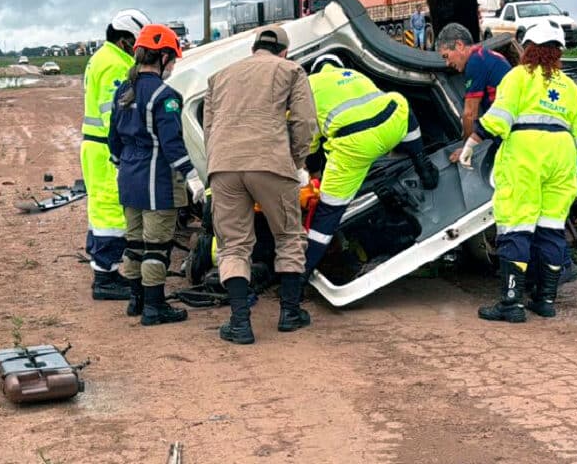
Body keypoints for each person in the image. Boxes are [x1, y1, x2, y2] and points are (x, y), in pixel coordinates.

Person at [458, 20, 577, 322]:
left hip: (525, 154)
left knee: (516, 227)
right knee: (551, 230)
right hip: (562, 158)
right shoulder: (569, 86)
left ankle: (511, 303)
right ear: (559, 52)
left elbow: (499, 118)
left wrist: (472, 143)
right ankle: (546, 300)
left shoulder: (518, 77)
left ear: (528, 49)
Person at [205, 25, 317, 345]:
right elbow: (305, 121)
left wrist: (216, 165)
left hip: (223, 166)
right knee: (288, 236)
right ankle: (290, 313)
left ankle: (240, 322)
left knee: (234, 244)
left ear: (254, 48)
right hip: (270, 162)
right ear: (283, 50)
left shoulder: (220, 76)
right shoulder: (291, 70)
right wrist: (295, 161)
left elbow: (210, 127)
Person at [304, 54, 439, 274]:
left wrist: (312, 170)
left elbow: (308, 138)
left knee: (328, 212)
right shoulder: (355, 75)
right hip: (391, 125)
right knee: (400, 104)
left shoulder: (309, 86)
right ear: (339, 65)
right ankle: (421, 162)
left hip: (354, 145)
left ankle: (301, 275)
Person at [108, 25, 205, 325]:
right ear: (162, 56)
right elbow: (172, 144)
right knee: (157, 245)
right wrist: (193, 177)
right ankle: (154, 307)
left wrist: (121, 163)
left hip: (128, 176)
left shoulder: (123, 91)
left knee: (134, 242)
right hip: (156, 180)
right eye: (173, 59)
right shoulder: (166, 95)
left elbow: (114, 140)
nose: (174, 65)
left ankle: (136, 300)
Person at [81, 8, 150, 301]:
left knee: (101, 208)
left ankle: (102, 266)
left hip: (96, 147)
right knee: (111, 209)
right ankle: (105, 277)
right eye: (137, 44)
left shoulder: (105, 58)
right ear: (124, 40)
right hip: (106, 148)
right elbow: (115, 114)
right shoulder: (114, 65)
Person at [436, 22, 512, 163]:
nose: (447, 64)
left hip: (507, 131)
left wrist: (465, 148)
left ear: (459, 45)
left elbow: (470, 113)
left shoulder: (475, 62)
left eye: (446, 56)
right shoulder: (487, 55)